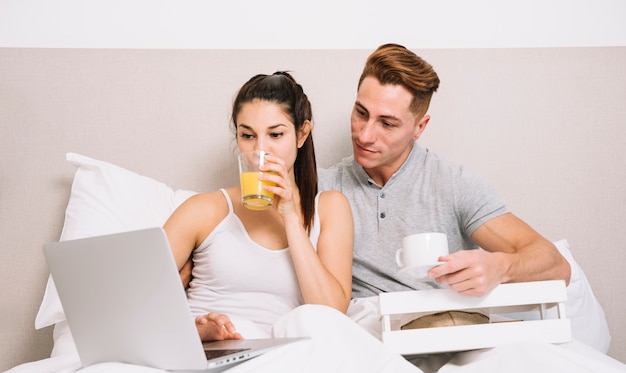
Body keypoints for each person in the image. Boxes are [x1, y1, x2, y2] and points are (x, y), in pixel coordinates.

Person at [319, 43, 571, 301]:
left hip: (443, 329)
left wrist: (500, 268)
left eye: (387, 123)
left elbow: (557, 266)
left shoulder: (453, 185)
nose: (365, 135)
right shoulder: (325, 187)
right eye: (361, 113)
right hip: (364, 329)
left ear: (419, 127)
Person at [165, 71, 354, 342]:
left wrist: (290, 216)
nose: (260, 151)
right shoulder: (204, 210)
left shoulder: (330, 208)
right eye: (248, 136)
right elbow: (135, 301)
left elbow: (330, 314)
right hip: (209, 353)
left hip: (284, 357)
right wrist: (196, 331)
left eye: (275, 134)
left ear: (302, 135)